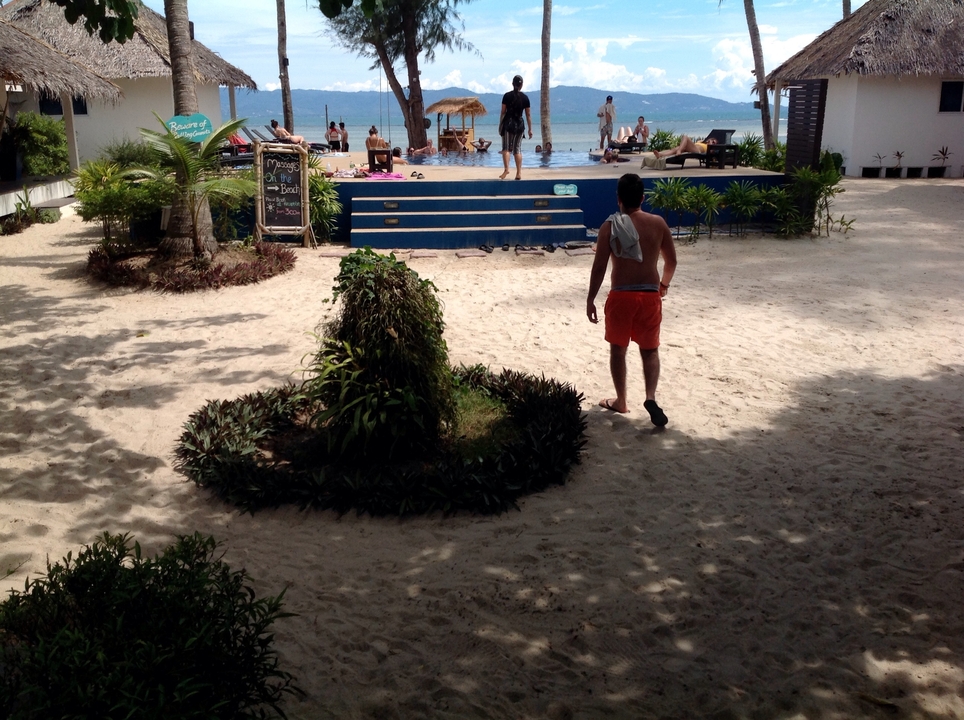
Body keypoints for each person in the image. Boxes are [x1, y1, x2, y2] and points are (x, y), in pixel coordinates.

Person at [587, 173, 677, 426]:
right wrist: (663, 285)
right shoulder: (658, 223)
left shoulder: (609, 226)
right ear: (642, 198)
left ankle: (621, 400)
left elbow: (599, 267)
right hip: (650, 294)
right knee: (650, 351)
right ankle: (650, 397)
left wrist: (590, 299)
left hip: (621, 295)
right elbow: (671, 261)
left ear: (618, 199)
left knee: (619, 349)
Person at [498, 74, 532, 180]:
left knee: (506, 148)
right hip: (520, 124)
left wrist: (501, 124)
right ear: (521, 85)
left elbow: (503, 112)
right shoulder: (525, 98)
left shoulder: (507, 96)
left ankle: (507, 169)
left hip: (509, 123)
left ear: (512, 84)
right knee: (517, 149)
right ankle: (518, 173)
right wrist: (530, 129)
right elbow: (528, 115)